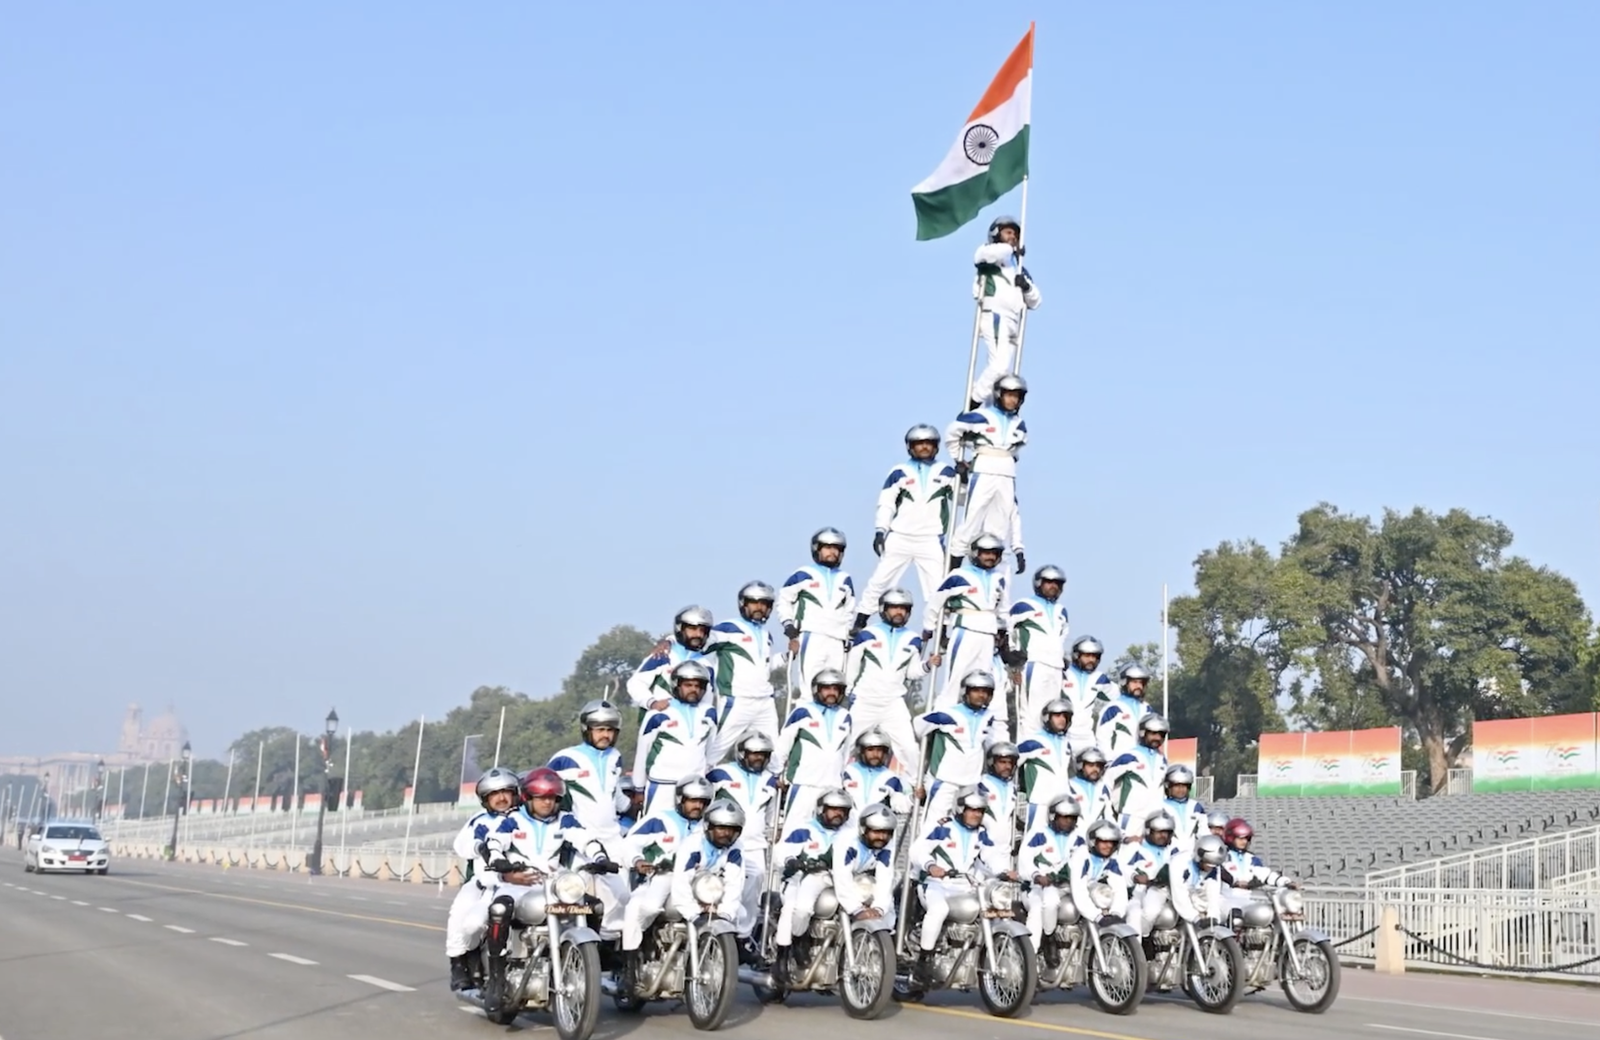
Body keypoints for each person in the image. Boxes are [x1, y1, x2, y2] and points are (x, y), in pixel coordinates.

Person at [905, 784, 1017, 987]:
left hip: (965, 886)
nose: (976, 815)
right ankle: (924, 960)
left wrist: (1005, 871)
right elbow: (917, 850)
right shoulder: (943, 827)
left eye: (980, 811)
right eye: (972, 810)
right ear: (960, 809)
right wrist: (931, 866)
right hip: (935, 885)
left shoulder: (981, 833)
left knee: (991, 908)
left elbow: (991, 855)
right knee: (939, 909)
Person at [855, 425, 958, 627]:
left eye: (928, 444)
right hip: (900, 536)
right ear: (910, 447)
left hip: (930, 539)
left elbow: (961, 500)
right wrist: (880, 531)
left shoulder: (945, 472)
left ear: (936, 447)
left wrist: (963, 478)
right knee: (880, 580)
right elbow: (886, 503)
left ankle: (942, 629)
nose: (924, 448)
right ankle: (861, 620)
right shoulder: (899, 472)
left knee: (938, 587)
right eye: (919, 444)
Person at [445, 767, 523, 991]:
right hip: (483, 884)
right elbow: (461, 845)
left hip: (519, 884)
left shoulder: (525, 818)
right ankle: (460, 962)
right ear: (485, 799)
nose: (501, 798)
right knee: (461, 916)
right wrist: (480, 847)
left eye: (506, 792)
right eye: (494, 794)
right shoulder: (479, 820)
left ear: (515, 793)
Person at [922, 533, 1010, 725]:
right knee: (955, 681)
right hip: (966, 630)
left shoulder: (999, 579)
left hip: (989, 634)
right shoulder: (959, 576)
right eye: (986, 552)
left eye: (994, 553)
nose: (990, 557)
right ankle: (940, 726)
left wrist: (1008, 639)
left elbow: (1003, 610)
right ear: (976, 553)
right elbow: (936, 602)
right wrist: (930, 627)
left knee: (982, 683)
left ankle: (976, 726)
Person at [707, 733, 781, 958]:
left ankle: (742, 937)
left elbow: (771, 815)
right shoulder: (720, 774)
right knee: (721, 886)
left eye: (763, 755)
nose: (759, 758)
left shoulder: (771, 781)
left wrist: (774, 829)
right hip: (723, 844)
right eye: (754, 754)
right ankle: (714, 929)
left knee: (754, 885)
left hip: (755, 845)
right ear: (742, 753)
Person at [945, 374, 1028, 571]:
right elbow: (952, 432)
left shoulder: (1019, 423)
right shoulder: (982, 416)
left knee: (1000, 524)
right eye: (1009, 395)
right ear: (999, 394)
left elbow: (1017, 449)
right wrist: (958, 459)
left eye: (1016, 396)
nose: (1012, 400)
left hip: (1007, 474)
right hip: (984, 470)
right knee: (972, 519)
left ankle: (991, 571)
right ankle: (953, 569)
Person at [621, 776, 711, 954]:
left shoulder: (709, 825)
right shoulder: (659, 819)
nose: (698, 806)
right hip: (662, 876)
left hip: (699, 880)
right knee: (642, 907)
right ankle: (633, 952)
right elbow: (630, 843)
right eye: (693, 801)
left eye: (703, 802)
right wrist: (637, 861)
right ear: (680, 799)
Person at [843, 587, 926, 773]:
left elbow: (911, 673)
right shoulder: (867, 634)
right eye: (894, 607)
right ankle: (833, 782)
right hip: (865, 700)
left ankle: (915, 786)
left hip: (893, 703)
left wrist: (928, 665)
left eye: (903, 608)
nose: (899, 612)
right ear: (883, 609)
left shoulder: (913, 639)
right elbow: (852, 667)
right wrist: (848, 692)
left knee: (910, 749)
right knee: (845, 744)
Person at [770, 788, 853, 966]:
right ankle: (790, 950)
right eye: (833, 809)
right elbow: (782, 850)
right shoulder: (804, 829)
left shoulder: (850, 834)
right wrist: (791, 861)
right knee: (797, 909)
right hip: (802, 877)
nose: (838, 814)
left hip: (837, 877)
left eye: (843, 810)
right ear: (822, 809)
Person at [632, 661, 722, 818]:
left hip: (694, 788)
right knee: (656, 828)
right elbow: (642, 752)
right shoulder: (658, 713)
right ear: (676, 685)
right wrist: (639, 788)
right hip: (662, 785)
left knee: (691, 830)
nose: (693, 689)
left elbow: (709, 749)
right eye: (688, 685)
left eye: (698, 685)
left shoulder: (709, 713)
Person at [706, 581, 785, 760]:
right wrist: (670, 641)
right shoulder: (729, 628)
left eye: (764, 604)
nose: (759, 608)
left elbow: (764, 667)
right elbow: (697, 640)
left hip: (765, 702)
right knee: (714, 751)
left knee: (773, 753)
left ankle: (773, 779)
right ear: (743, 604)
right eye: (754, 602)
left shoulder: (766, 635)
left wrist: (787, 657)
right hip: (737, 701)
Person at [970, 214, 1041, 408]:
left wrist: (1026, 286)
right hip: (995, 315)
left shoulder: (1018, 268)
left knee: (1003, 373)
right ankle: (972, 403)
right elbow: (980, 257)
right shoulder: (990, 253)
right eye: (1008, 233)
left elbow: (1036, 301)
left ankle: (991, 408)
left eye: (1015, 235)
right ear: (996, 233)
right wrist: (1010, 249)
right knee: (998, 366)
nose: (1012, 237)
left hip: (1013, 321)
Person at [912, 670, 1000, 824]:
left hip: (972, 781)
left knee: (967, 826)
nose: (981, 695)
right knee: (934, 824)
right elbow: (918, 725)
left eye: (985, 692)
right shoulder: (948, 714)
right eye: (976, 691)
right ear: (966, 692)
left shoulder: (989, 717)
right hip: (945, 780)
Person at [773, 669, 854, 832]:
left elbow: (845, 753)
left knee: (828, 836)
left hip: (832, 788)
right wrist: (775, 773)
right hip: (803, 785)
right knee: (792, 833)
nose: (832, 692)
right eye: (827, 688)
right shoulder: (802, 711)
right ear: (817, 689)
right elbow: (783, 745)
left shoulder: (846, 716)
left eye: (836, 689)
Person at [777, 528, 857, 694]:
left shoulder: (845, 579)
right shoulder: (804, 574)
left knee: (835, 686)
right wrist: (788, 624)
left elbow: (849, 611)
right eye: (827, 547)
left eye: (836, 548)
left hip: (838, 640)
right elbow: (784, 599)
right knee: (810, 687)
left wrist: (848, 635)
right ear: (817, 549)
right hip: (812, 635)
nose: (832, 552)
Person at [548, 699, 626, 855]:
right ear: (586, 729)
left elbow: (614, 792)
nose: (605, 735)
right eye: (600, 730)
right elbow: (540, 789)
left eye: (610, 730)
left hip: (614, 840)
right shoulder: (565, 758)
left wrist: (632, 805)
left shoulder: (615, 757)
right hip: (580, 841)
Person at [667, 799, 747, 935]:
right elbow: (681, 882)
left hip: (713, 892)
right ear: (708, 827)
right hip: (688, 891)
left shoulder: (736, 848)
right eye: (721, 828)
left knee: (742, 914)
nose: (726, 833)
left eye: (731, 830)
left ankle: (735, 944)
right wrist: (693, 914)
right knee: (653, 906)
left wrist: (724, 914)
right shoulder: (693, 845)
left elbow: (735, 883)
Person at [1006, 564, 1071, 726]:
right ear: (1038, 583)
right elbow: (1007, 629)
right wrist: (1012, 658)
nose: (1053, 586)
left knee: (1052, 715)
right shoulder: (1024, 605)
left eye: (1057, 583)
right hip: (1034, 664)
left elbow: (1062, 637)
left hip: (1056, 667)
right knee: (1031, 715)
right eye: (1048, 582)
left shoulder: (1061, 611)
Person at [1021, 794, 1083, 957]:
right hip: (1040, 886)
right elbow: (1025, 858)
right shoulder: (1039, 833)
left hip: (1069, 885)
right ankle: (1046, 940)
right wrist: (1036, 875)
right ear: (1053, 816)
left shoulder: (1079, 837)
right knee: (1048, 902)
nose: (1068, 821)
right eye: (1064, 817)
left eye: (1072, 818)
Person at [626, 606, 716, 711]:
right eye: (692, 629)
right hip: (658, 718)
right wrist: (652, 703)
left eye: (702, 630)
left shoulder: (706, 666)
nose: (698, 634)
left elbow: (706, 702)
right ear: (680, 628)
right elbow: (635, 683)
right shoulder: (663, 655)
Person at [832, 802, 898, 931]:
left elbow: (885, 876)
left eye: (887, 833)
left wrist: (879, 908)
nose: (882, 837)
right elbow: (841, 876)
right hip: (831, 876)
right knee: (806, 907)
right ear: (863, 829)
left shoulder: (886, 844)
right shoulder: (846, 840)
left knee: (889, 911)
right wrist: (856, 909)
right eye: (877, 832)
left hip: (862, 879)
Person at [1217, 817, 1297, 919]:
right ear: (1231, 838)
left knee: (1265, 915)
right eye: (1240, 838)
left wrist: (1286, 882)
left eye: (1247, 838)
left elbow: (1265, 874)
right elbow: (1220, 873)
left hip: (1247, 898)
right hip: (1226, 898)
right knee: (1235, 918)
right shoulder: (1222, 856)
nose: (1244, 841)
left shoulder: (1251, 858)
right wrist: (1235, 882)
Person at [1017, 697, 1077, 832]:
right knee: (1033, 840)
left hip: (1061, 806)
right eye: (1057, 715)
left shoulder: (1066, 744)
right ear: (1047, 717)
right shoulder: (1034, 741)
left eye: (1065, 716)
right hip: (1040, 803)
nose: (1062, 719)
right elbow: (1011, 761)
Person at [1120, 809, 1180, 941]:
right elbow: (1121, 868)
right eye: (1159, 832)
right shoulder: (1136, 847)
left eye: (1166, 832)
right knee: (1146, 912)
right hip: (1139, 892)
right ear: (1148, 831)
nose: (1163, 836)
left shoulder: (1174, 849)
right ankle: (1141, 943)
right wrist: (1135, 877)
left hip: (1170, 889)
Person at [1106, 714, 1171, 834]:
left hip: (1155, 819)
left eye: (1161, 734)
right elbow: (1106, 782)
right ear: (1142, 733)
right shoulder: (1128, 757)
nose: (1157, 737)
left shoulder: (1163, 760)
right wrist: (1108, 812)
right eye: (1153, 733)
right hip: (1131, 818)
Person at [1066, 819, 1130, 926]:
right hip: (1063, 887)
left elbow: (1120, 888)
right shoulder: (1081, 856)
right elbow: (1079, 890)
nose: (1109, 846)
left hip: (1087, 887)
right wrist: (1097, 917)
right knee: (1050, 904)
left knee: (1104, 895)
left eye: (1112, 842)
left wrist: (1116, 913)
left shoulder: (1111, 859)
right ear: (1093, 841)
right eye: (1104, 841)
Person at [1061, 636, 1117, 749]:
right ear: (1076, 655)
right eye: (1087, 655)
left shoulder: (1099, 678)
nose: (1091, 660)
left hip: (1087, 739)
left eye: (1094, 656)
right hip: (1063, 736)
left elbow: (1121, 697)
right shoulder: (1063, 674)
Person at [840, 728, 913, 816]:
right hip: (849, 821)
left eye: (879, 750)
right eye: (870, 750)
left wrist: (913, 798)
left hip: (876, 822)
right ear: (861, 751)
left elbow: (900, 805)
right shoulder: (847, 771)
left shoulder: (891, 778)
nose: (875, 754)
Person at [1095, 663, 1153, 759]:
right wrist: (1109, 762)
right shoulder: (1114, 708)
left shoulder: (1147, 708)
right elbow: (1102, 738)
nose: (1138, 686)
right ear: (1124, 682)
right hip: (1120, 763)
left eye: (1141, 682)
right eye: (1134, 682)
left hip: (1142, 762)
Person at [977, 741, 1022, 861]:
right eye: (1002, 762)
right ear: (992, 762)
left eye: (1010, 763)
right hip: (984, 847)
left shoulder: (1013, 788)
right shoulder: (981, 784)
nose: (1007, 766)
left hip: (1005, 850)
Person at [1152, 764, 1207, 851]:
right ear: (1168, 786)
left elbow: (1204, 832)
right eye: (1177, 785)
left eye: (1184, 786)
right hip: (1167, 852)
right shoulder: (1160, 806)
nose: (1181, 789)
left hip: (1191, 853)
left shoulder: (1196, 807)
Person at [1066, 747, 1117, 825]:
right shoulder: (1068, 785)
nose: (1095, 769)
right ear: (1080, 765)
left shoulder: (1102, 789)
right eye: (1091, 765)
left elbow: (1109, 817)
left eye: (1098, 766)